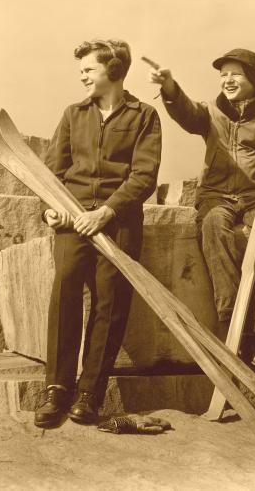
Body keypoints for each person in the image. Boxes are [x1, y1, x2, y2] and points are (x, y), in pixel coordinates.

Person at [148, 48, 255, 372]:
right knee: (214, 227)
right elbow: (186, 112)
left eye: (235, 74)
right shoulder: (210, 112)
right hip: (216, 195)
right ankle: (232, 326)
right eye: (223, 75)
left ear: (252, 79)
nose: (227, 80)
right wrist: (169, 88)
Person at [34, 39, 161, 428]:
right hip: (72, 221)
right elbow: (53, 172)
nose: (82, 75)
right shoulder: (73, 114)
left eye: (89, 69)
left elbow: (144, 176)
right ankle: (56, 388)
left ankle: (90, 393)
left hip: (118, 223)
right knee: (66, 292)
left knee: (110, 305)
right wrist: (51, 209)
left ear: (113, 70)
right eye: (82, 70)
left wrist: (106, 212)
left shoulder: (145, 116)